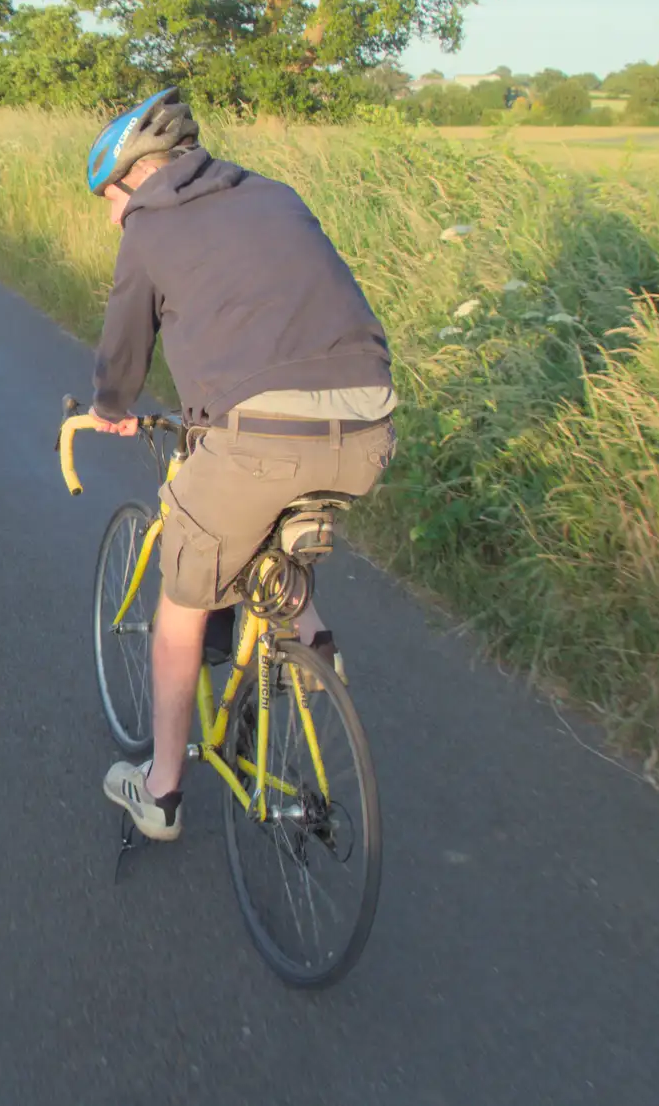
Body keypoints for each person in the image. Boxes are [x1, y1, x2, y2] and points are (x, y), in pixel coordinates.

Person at [85, 87, 398, 843]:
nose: (108, 213)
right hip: (369, 420)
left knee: (181, 610)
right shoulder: (275, 193)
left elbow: (125, 349)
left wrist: (109, 406)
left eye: (105, 196)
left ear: (134, 179)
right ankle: (313, 656)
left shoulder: (149, 230)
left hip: (257, 435)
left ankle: (160, 793)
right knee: (270, 545)